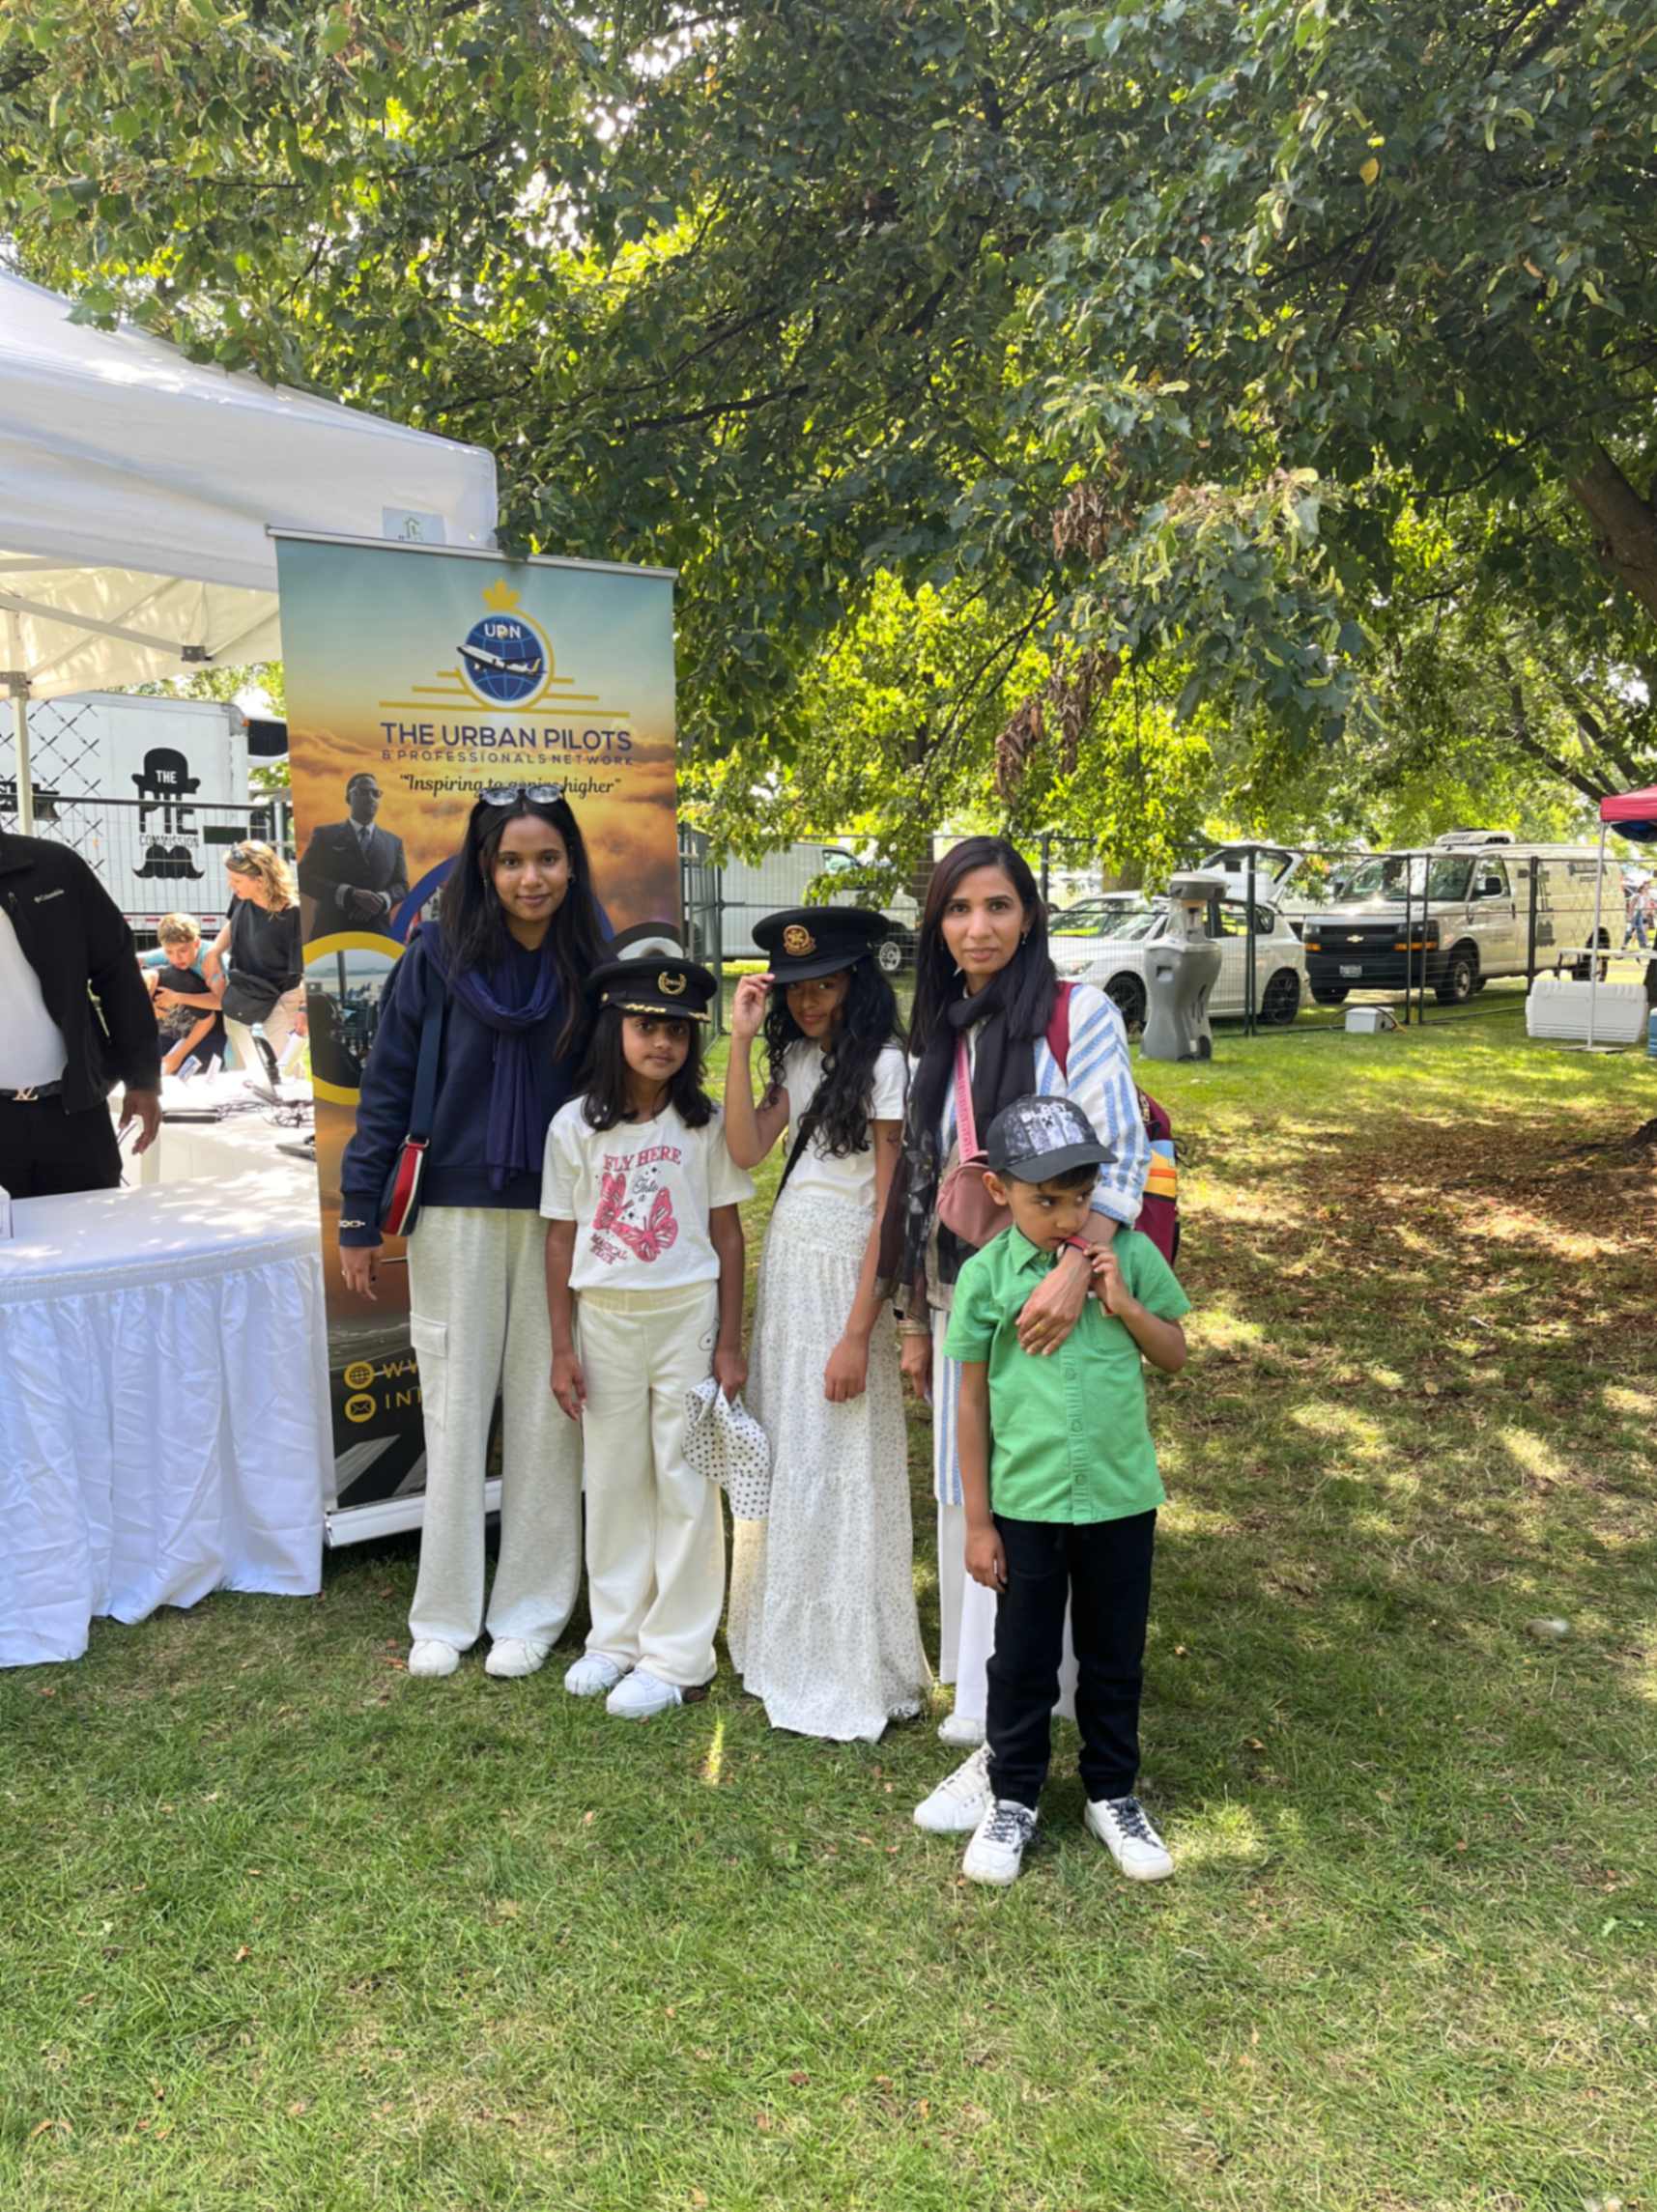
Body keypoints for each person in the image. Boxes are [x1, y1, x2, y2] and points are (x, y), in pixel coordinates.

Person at [874, 836, 1150, 1837]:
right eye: (957, 910)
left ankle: (1013, 1737)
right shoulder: (941, 1028)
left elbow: (1120, 1159)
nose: (977, 928)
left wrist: (1073, 1275)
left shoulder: (1077, 1014)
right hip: (971, 1293)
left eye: (996, 906)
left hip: (1060, 1299)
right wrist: (914, 1317)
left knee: (1051, 1499)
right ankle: (993, 1717)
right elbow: (926, 1180)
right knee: (973, 1502)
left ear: (1028, 914)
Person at [338, 786, 604, 1679]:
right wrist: (359, 1213)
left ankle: (531, 1609)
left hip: (562, 1215)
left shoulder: (591, 962)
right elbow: (385, 1086)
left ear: (571, 865)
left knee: (546, 1413)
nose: (531, 878)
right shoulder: (435, 957)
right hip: (452, 1211)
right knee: (453, 1412)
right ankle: (446, 1611)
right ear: (483, 868)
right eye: (511, 861)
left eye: (547, 859)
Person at [946, 1095, 1189, 1887]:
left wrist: (1124, 1305)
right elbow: (970, 1404)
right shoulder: (985, 1277)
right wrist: (977, 1523)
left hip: (1120, 1497)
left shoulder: (1130, 1258)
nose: (1066, 1218)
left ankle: (1111, 1793)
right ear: (999, 1191)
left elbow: (1175, 1353)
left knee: (1113, 1654)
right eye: (1043, 1200)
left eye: (1080, 1199)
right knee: (1020, 1660)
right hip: (1027, 1503)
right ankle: (1013, 1796)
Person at [723, 906, 929, 1743]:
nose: (809, 1002)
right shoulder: (799, 1059)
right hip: (788, 1275)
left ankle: (850, 1657)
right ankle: (786, 1637)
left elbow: (889, 1207)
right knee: (792, 1450)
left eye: (827, 985)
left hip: (845, 1280)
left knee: (839, 1458)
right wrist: (739, 1041)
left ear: (858, 983)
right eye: (797, 989)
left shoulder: (887, 1066)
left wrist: (856, 1331)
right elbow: (743, 1149)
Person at [542, 955, 752, 1720]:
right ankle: (616, 1637)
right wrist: (561, 1346)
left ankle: (678, 1654)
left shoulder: (701, 1125)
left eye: (677, 1032)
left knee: (685, 1481)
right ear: (614, 1030)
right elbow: (560, 1239)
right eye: (645, 1026)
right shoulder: (574, 1126)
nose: (662, 1043)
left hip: (685, 1317)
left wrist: (729, 1342)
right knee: (614, 1480)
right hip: (604, 1319)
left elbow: (727, 1236)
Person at [0, 827, 159, 1195]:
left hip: (73, 1110)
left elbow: (117, 971)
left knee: (96, 1226)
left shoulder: (53, 866)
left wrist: (143, 1078)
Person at [203, 841, 305, 1069]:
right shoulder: (242, 897)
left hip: (280, 1000)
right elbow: (233, 923)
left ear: (261, 879)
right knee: (244, 1071)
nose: (231, 885)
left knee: (282, 1072)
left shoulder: (294, 914)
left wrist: (304, 1009)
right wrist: (214, 950)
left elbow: (307, 970)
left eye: (237, 880)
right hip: (242, 994)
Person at [298, 773, 410, 942]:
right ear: (348, 798)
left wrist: (382, 900)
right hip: (332, 935)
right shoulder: (324, 835)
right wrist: (349, 895)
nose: (370, 798)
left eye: (375, 793)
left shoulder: (393, 842)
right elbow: (304, 877)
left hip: (378, 937)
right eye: (363, 791)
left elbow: (402, 885)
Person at [143, 912, 226, 1075]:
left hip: (233, 1009)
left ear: (196, 943)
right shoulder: (174, 955)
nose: (176, 958)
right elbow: (137, 963)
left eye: (182, 951)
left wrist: (177, 997)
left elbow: (222, 1003)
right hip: (196, 1017)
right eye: (169, 952)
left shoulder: (212, 960)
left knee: (233, 1058)